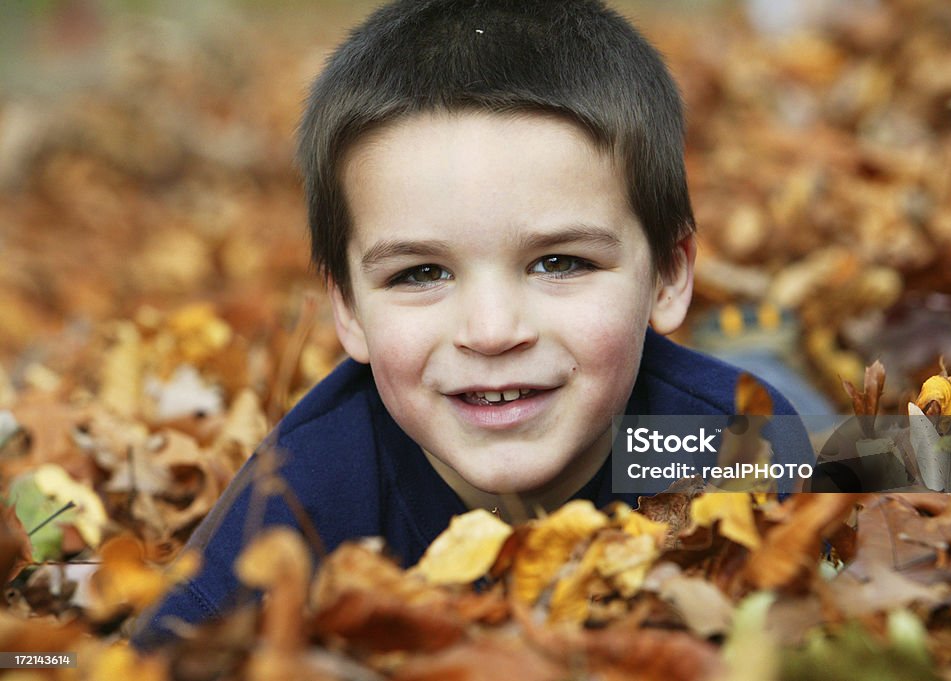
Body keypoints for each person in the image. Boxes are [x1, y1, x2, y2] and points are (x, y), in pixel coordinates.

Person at [131, 0, 812, 649]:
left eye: (559, 261)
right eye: (420, 274)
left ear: (667, 276)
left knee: (857, 444)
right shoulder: (311, 493)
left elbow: (854, 579)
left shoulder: (709, 439)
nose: (490, 332)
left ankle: (771, 352)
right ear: (348, 310)